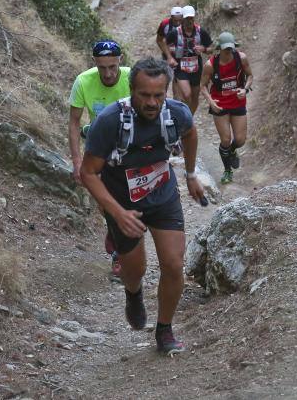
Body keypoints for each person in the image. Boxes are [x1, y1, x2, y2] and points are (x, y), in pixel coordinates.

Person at [80, 58, 206, 355]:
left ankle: (164, 329)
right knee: (135, 269)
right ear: (131, 90)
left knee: (174, 264)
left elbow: (190, 134)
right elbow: (88, 173)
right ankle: (133, 292)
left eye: (159, 95)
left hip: (162, 193)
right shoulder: (110, 122)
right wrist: (117, 212)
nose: (152, 102)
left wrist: (190, 175)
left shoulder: (176, 114)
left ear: (166, 91)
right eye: (144, 95)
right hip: (123, 202)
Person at [69, 40, 131, 278]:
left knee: (128, 199)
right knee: (105, 200)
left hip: (129, 147)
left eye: (113, 67)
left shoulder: (132, 78)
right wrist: (77, 162)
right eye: (102, 68)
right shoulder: (83, 81)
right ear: (94, 63)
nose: (108, 73)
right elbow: (74, 122)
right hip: (100, 148)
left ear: (120, 61)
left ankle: (118, 246)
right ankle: (116, 237)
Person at [200, 32, 253, 184]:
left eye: (231, 48)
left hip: (237, 102)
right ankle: (227, 170)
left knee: (240, 140)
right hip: (220, 105)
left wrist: (245, 89)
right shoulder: (210, 65)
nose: (229, 52)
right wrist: (210, 102)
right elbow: (202, 86)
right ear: (219, 49)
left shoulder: (241, 58)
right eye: (226, 49)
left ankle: (231, 151)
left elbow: (250, 76)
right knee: (225, 139)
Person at [163, 5, 213, 114]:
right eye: (187, 19)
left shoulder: (201, 31)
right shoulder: (175, 32)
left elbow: (211, 48)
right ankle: (185, 115)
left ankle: (189, 118)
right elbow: (164, 43)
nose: (189, 21)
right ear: (183, 19)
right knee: (186, 94)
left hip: (196, 67)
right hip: (181, 67)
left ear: (194, 18)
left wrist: (203, 49)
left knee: (195, 97)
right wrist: (170, 57)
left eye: (191, 18)